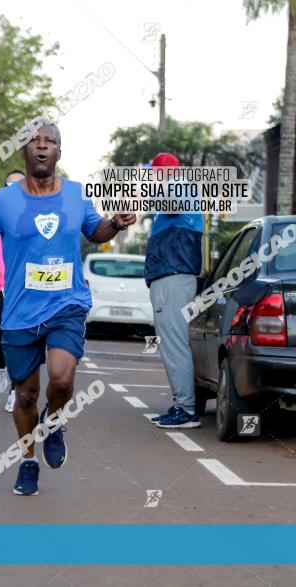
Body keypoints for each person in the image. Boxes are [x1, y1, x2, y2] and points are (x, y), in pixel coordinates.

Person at [0, 121, 136, 495]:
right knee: (25, 395)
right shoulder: (3, 201)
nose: (41, 147)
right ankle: (28, 459)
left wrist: (114, 224)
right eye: (34, 142)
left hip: (67, 303)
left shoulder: (74, 194)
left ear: (58, 152)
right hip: (20, 310)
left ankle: (53, 422)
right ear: (23, 151)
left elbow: (94, 231)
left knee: (62, 377)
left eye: (49, 141)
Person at [145, 152, 204, 428]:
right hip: (170, 275)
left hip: (174, 275)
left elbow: (170, 203)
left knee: (174, 344)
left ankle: (186, 409)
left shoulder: (179, 186)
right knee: (171, 344)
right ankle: (183, 405)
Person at [0, 171, 24, 411]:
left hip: (23, 289)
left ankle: (15, 391)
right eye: (10, 184)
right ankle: (0, 368)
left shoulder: (34, 218)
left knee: (19, 343)